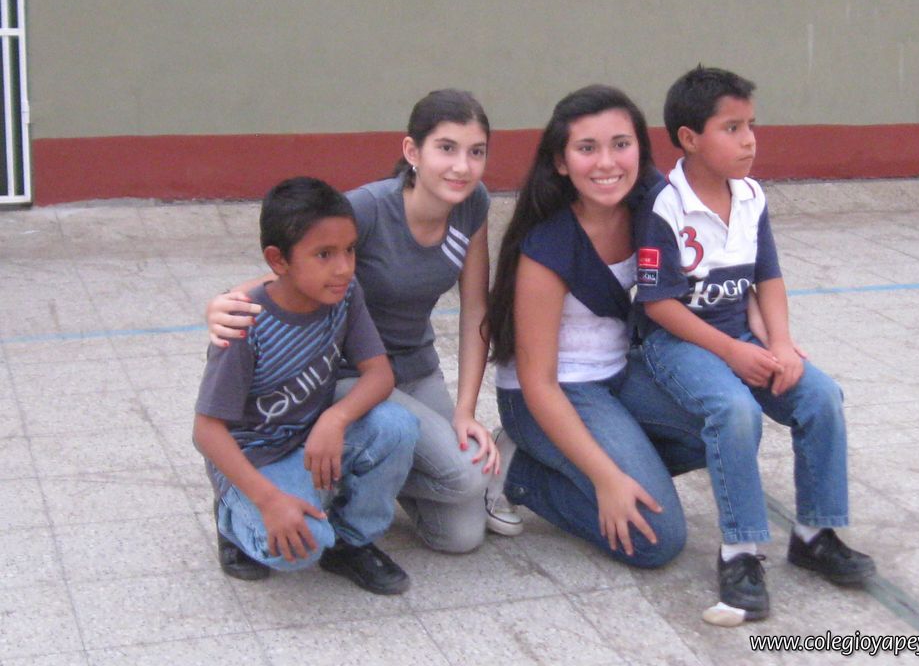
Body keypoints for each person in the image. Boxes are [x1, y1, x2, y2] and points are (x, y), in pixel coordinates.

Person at [206, 89, 521, 555]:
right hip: (353, 373)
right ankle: (303, 491)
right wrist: (222, 302)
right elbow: (294, 265)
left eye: (476, 152)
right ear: (412, 151)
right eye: (446, 148)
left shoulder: (473, 203)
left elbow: (476, 309)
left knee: (460, 537)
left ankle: (370, 475)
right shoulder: (369, 207)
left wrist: (464, 411)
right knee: (467, 477)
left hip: (416, 370)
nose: (462, 166)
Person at [633, 65, 876, 620]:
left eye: (751, 126)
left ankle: (815, 535)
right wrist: (732, 353)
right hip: (679, 344)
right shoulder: (664, 206)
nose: (749, 141)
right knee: (734, 410)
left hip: (743, 336)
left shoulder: (750, 196)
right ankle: (740, 553)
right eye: (732, 128)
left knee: (820, 396)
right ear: (690, 138)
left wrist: (782, 344)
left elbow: (768, 276)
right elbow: (659, 305)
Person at [487, 84, 706, 568]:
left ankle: (609, 466)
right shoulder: (547, 247)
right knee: (657, 540)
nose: (607, 162)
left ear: (640, 150)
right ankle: (519, 472)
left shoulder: (651, 205)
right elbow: (539, 383)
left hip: (618, 374)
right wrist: (606, 478)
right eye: (587, 148)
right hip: (550, 394)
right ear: (561, 162)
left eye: (620, 144)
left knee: (722, 422)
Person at [193, 177, 418, 594]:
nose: (344, 267)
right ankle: (233, 519)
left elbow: (380, 374)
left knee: (398, 426)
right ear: (278, 260)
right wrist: (269, 500)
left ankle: (351, 542)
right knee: (302, 548)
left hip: (308, 440)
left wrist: (335, 418)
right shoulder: (245, 323)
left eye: (350, 250)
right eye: (324, 254)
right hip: (255, 461)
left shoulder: (345, 294)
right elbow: (206, 431)